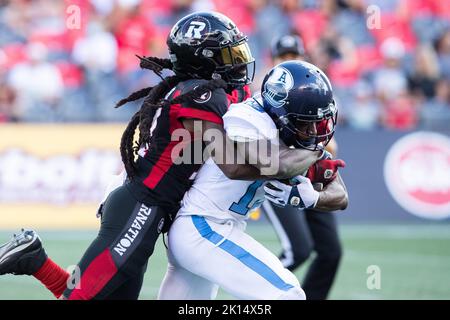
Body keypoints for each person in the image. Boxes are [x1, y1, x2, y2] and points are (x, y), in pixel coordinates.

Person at [0, 12, 323, 300]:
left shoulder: (206, 89)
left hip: (148, 201)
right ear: (204, 60)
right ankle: (33, 260)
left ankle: (34, 258)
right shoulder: (201, 96)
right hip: (142, 205)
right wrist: (304, 156)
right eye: (228, 55)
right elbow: (233, 165)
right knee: (84, 297)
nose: (238, 62)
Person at [157, 60, 348, 300]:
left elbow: (341, 196)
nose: (313, 131)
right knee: (287, 294)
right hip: (203, 225)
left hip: (216, 228)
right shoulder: (246, 117)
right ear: (282, 113)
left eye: (317, 122)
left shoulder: (296, 136)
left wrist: (313, 198)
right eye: (305, 122)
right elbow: (276, 164)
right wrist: (318, 153)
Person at [260, 34, 344, 300]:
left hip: (311, 176)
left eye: (293, 56)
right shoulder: (265, 96)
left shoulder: (316, 91)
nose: (289, 61)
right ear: (273, 60)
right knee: (299, 249)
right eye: (283, 57)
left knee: (331, 251)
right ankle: (255, 291)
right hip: (280, 178)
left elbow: (332, 147)